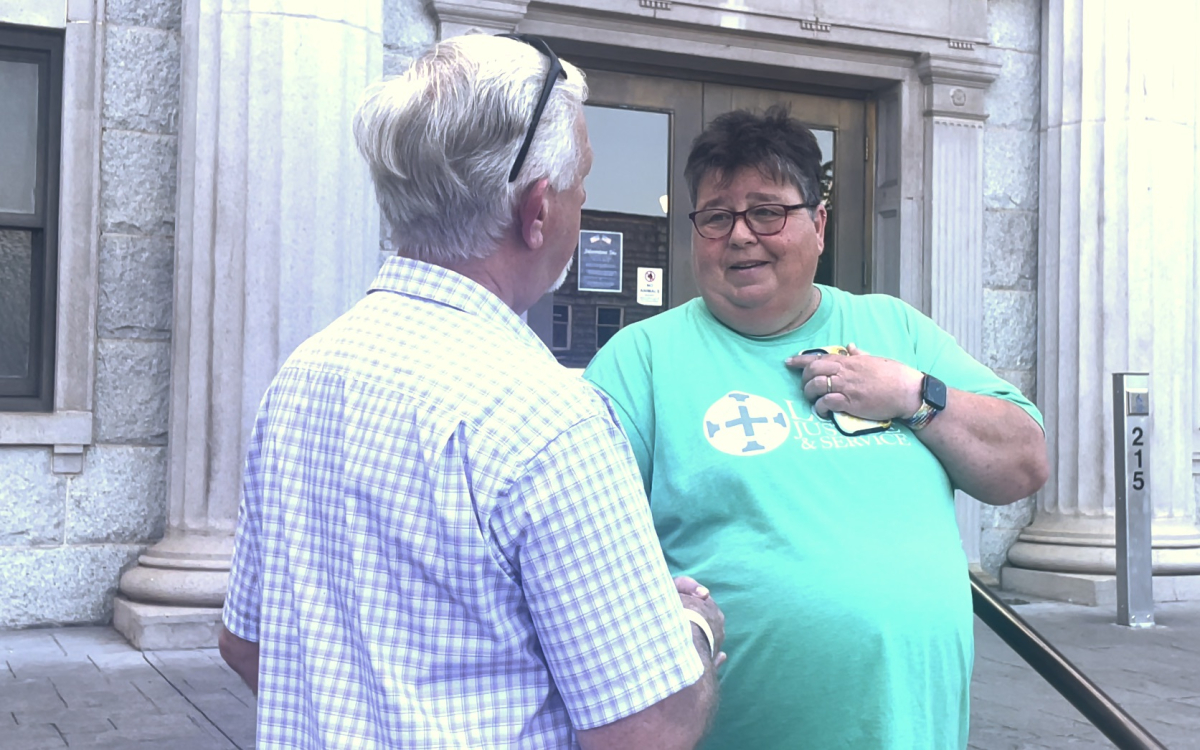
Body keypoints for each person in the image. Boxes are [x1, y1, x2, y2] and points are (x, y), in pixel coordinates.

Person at [218, 33, 725, 750]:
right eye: (584, 180)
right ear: (538, 209)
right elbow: (648, 730)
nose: (585, 204)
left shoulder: (303, 376)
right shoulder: (552, 419)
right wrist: (690, 631)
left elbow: (247, 644)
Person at [582, 105, 1050, 749]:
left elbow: (1024, 462)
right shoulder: (641, 361)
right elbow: (577, 553)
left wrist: (913, 394)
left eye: (767, 211)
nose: (741, 235)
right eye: (717, 216)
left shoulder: (897, 331)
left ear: (819, 223)